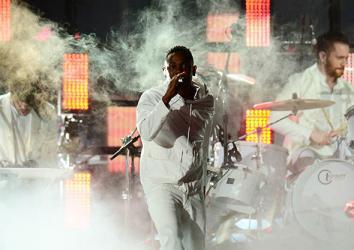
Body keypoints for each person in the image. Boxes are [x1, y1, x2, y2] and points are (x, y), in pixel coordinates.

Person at [136, 46, 214, 250]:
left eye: (184, 66)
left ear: (193, 69)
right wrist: (166, 100)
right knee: (172, 239)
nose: (178, 72)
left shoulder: (206, 102)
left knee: (195, 246)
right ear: (165, 70)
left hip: (192, 186)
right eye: (172, 66)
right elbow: (146, 132)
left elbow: (203, 142)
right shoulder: (152, 98)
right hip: (161, 183)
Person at [270, 31, 354, 175]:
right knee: (308, 161)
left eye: (346, 58)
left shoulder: (348, 89)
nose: (344, 63)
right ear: (323, 57)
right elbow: (275, 119)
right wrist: (310, 134)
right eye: (339, 58)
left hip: (341, 159)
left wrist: (346, 133)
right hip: (307, 157)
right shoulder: (300, 82)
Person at [0, 79, 57, 168]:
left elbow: (50, 150)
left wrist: (38, 163)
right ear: (11, 93)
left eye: (30, 104)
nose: (23, 107)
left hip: (34, 177)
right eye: (19, 102)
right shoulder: (1, 105)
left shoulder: (48, 111)